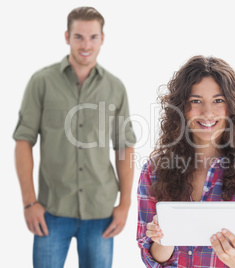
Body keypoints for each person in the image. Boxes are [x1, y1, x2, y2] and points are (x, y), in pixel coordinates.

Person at [13, 6, 136, 268]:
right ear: (67, 36)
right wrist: (29, 203)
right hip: (51, 210)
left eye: (93, 37)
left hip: (100, 211)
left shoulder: (115, 88)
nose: (86, 45)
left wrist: (125, 204)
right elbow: (23, 141)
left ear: (103, 38)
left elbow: (124, 145)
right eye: (79, 36)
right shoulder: (41, 82)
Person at [137, 55, 235, 268]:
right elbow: (153, 259)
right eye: (196, 101)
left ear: (232, 107)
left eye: (218, 101)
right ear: (181, 108)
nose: (208, 112)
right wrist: (162, 239)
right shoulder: (153, 171)